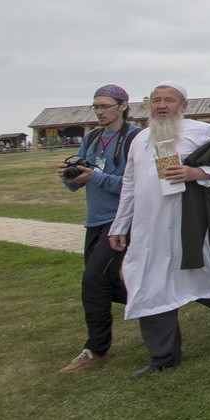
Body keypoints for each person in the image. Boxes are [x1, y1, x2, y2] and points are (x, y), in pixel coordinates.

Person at [108, 82, 210, 376]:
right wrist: (120, 225)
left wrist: (196, 172)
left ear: (183, 106)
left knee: (202, 278)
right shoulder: (140, 139)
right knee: (149, 284)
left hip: (188, 224)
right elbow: (130, 186)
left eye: (169, 100)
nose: (161, 105)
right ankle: (163, 356)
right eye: (156, 100)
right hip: (149, 229)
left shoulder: (200, 132)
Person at [56, 84, 141, 373]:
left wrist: (96, 176)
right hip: (94, 220)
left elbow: (135, 185)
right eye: (96, 106)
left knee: (93, 281)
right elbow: (75, 183)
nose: (99, 111)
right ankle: (158, 302)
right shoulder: (91, 137)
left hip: (121, 220)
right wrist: (70, 176)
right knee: (109, 284)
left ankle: (95, 350)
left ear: (123, 105)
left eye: (104, 106)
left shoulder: (134, 138)